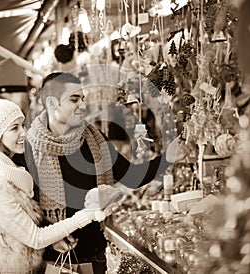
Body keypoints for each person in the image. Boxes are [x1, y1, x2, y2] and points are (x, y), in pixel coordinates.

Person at [25, 72, 183, 273]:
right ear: (52, 102)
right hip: (52, 262)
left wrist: (168, 157)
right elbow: (25, 211)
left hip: (95, 256)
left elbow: (131, 176)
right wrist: (51, 239)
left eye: (83, 98)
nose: (82, 105)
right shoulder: (29, 148)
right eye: (74, 99)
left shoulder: (93, 138)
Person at [0, 98, 106, 274]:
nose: (23, 133)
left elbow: (20, 229)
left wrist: (54, 238)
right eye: (14, 128)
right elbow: (35, 238)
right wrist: (89, 213)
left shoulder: (3, 169)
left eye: (22, 125)